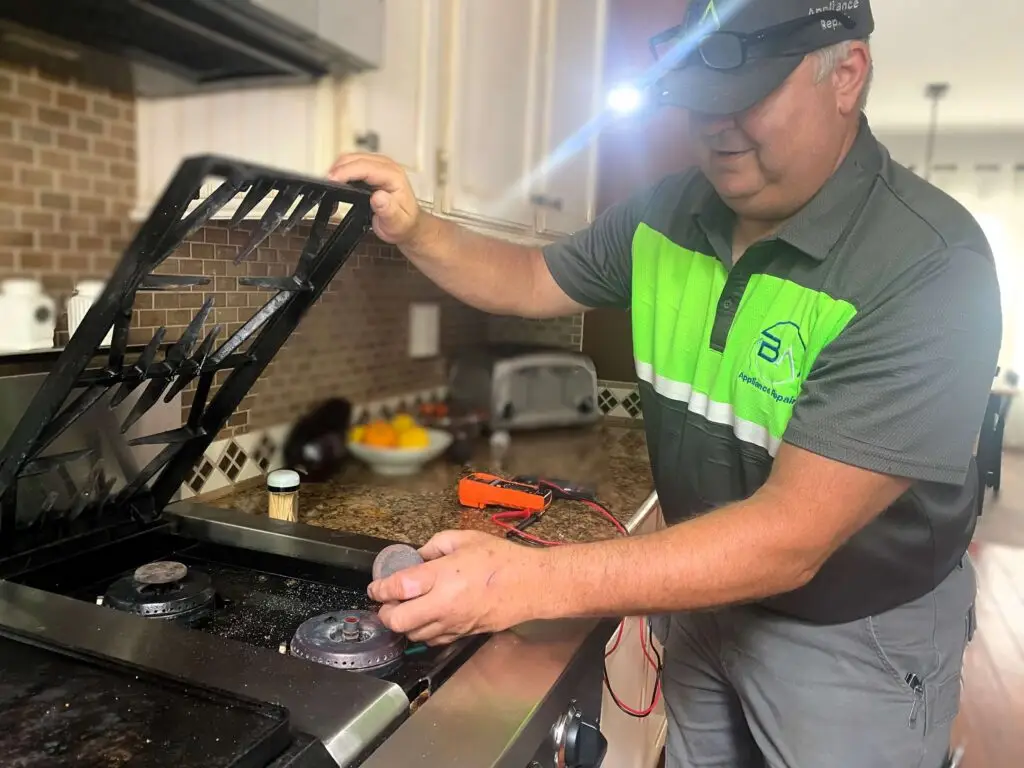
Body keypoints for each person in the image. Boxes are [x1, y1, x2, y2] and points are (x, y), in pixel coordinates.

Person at [328, 1, 1002, 765]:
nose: (716, 125)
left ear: (846, 74)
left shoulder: (929, 267)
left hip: (852, 636)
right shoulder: (666, 212)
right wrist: (418, 229)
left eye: (747, 95)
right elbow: (529, 277)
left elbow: (791, 537)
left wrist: (525, 582)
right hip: (702, 594)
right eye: (698, 98)